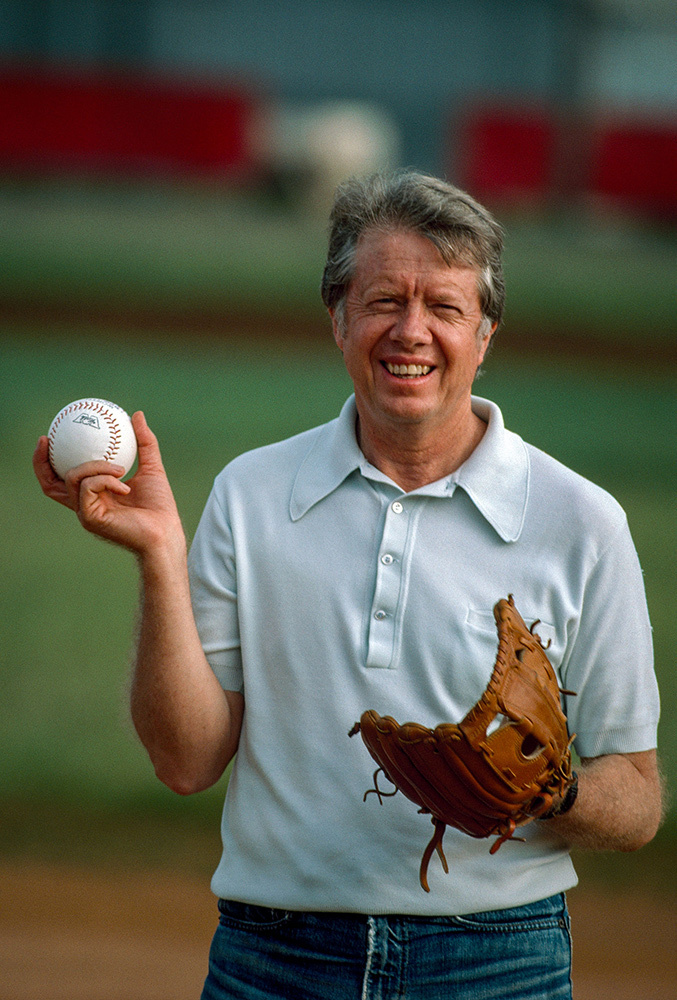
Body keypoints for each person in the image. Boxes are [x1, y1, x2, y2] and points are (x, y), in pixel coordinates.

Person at [34, 171, 663, 1000]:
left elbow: (639, 802)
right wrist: (158, 553)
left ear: (485, 333)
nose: (411, 331)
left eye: (443, 306)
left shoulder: (580, 520)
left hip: (496, 962)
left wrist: (550, 789)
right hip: (274, 958)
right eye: (381, 301)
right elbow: (184, 763)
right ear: (336, 317)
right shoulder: (253, 493)